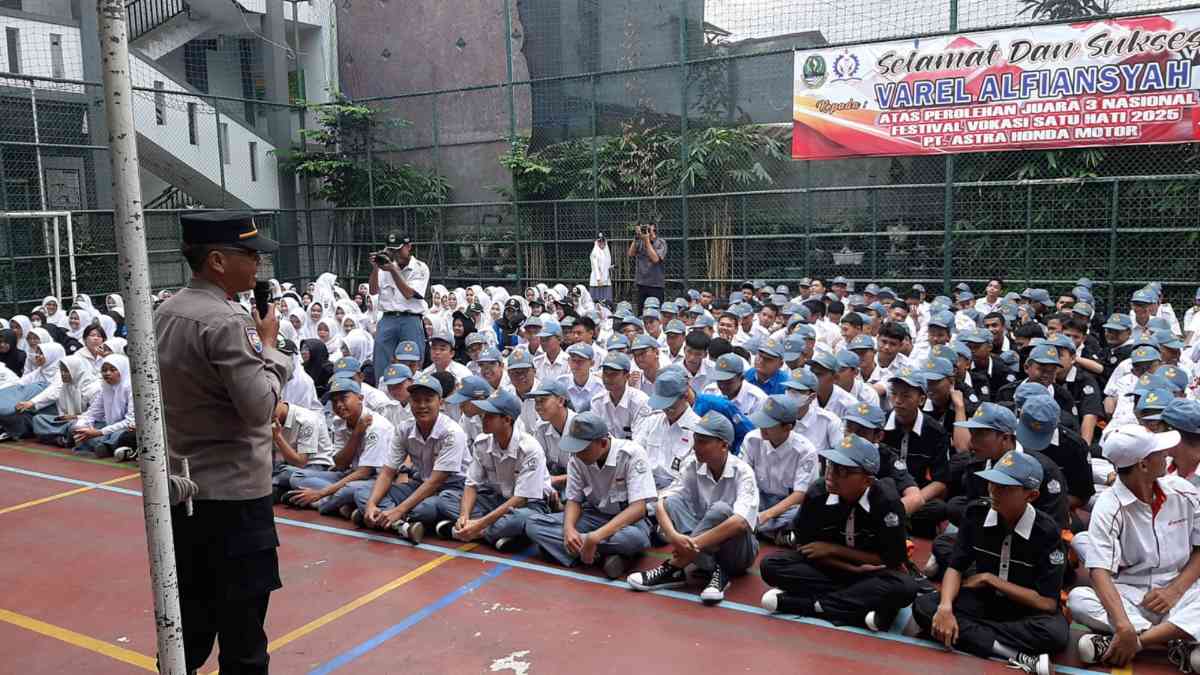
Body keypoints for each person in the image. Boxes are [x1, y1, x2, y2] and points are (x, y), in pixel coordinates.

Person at [155, 211, 293, 674]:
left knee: (187, 629)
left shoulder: (165, 313)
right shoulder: (225, 321)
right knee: (243, 638)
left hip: (181, 494)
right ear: (217, 260)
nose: (257, 264)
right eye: (249, 254)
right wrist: (271, 348)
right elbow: (259, 408)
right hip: (234, 502)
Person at [914, 450, 1069, 675]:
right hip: (982, 603)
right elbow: (956, 567)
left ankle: (972, 636)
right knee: (925, 607)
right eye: (992, 483)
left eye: (1005, 488)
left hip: (1022, 609)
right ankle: (1013, 654)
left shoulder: (1046, 532)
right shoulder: (976, 514)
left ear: (1031, 496)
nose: (994, 491)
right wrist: (946, 607)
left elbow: (1046, 603)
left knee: (1055, 633)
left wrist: (990, 579)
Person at [1069, 425, 1200, 671]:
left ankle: (1135, 643)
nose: (1167, 455)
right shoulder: (1109, 506)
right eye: (1159, 453)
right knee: (1079, 599)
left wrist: (1173, 591)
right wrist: (1122, 624)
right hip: (1131, 594)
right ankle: (1175, 642)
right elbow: (1099, 571)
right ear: (1143, 465)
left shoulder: (1184, 492)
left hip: (1182, 588)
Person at [759, 435, 920, 632]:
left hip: (869, 573)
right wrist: (842, 565)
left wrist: (834, 551)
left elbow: (893, 560)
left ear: (867, 480)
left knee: (905, 587)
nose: (831, 474)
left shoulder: (887, 502)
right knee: (771, 565)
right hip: (827, 568)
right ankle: (860, 609)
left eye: (842, 470)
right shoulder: (817, 493)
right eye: (830, 465)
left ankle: (809, 605)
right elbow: (806, 547)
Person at [627, 412, 759, 605]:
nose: (695, 447)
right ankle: (717, 573)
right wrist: (673, 536)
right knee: (673, 503)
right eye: (695, 440)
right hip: (704, 549)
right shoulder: (691, 464)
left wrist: (688, 549)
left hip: (737, 552)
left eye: (703, 442)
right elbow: (662, 502)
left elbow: (740, 523)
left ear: (724, 445)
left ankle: (674, 567)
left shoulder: (743, 472)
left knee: (721, 510)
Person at [524, 412, 656, 579]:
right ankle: (609, 556)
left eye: (583, 449)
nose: (578, 454)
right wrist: (569, 530)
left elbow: (638, 508)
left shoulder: (631, 454)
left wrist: (594, 538)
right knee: (533, 524)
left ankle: (576, 550)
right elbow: (574, 500)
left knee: (635, 539)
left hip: (627, 522)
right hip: (593, 515)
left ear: (602, 443)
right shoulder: (577, 458)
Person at [355, 373, 470, 543]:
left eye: (428, 399)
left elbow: (436, 482)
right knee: (362, 492)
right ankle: (402, 525)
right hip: (419, 485)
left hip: (451, 490)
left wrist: (399, 510)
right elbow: (387, 472)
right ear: (410, 403)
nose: (422, 405)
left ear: (441, 402)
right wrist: (372, 503)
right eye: (416, 400)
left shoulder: (452, 433)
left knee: (424, 509)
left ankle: (388, 518)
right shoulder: (404, 429)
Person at [435, 388, 550, 551]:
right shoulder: (482, 443)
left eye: (490, 415)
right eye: (483, 414)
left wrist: (480, 523)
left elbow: (520, 499)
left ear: (507, 419)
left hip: (528, 505)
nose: (483, 418)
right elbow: (471, 484)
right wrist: (464, 515)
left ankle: (464, 533)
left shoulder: (530, 449)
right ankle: (493, 534)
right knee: (446, 498)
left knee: (522, 519)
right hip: (495, 500)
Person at [741, 394, 819, 544]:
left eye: (769, 424)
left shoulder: (805, 450)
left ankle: (753, 528)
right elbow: (745, 479)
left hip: (787, 505)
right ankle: (774, 534)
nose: (762, 428)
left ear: (788, 427)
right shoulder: (752, 439)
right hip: (758, 498)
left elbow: (800, 494)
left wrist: (765, 516)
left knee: (804, 513)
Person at [370, 230, 430, 374]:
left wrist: (393, 270)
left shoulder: (420, 268)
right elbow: (373, 290)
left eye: (398, 249)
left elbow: (409, 294)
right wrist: (375, 269)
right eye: (391, 250)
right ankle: (383, 392)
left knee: (412, 363)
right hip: (387, 318)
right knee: (382, 364)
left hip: (410, 320)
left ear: (408, 246)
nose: (395, 253)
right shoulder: (385, 266)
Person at [70, 354, 137, 459]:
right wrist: (81, 426)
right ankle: (104, 446)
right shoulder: (106, 388)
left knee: (121, 436)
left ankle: (105, 446)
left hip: (125, 429)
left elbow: (129, 422)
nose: (107, 373)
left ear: (122, 370)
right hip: (108, 428)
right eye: (104, 370)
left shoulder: (132, 389)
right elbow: (92, 413)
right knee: (75, 426)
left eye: (113, 370)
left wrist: (99, 432)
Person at [627, 223, 667, 308]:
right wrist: (636, 237)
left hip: (656, 285)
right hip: (641, 283)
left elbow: (655, 259)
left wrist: (647, 241)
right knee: (641, 313)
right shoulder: (640, 241)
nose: (646, 230)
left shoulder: (661, 242)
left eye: (649, 228)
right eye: (644, 228)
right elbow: (630, 253)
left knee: (656, 311)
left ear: (654, 229)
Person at [589, 233, 613, 304]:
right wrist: (599, 279)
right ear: (596, 242)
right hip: (597, 281)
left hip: (606, 280)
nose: (601, 243)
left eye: (603, 241)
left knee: (606, 301)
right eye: (599, 241)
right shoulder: (595, 252)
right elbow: (595, 267)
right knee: (597, 301)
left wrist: (611, 267)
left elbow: (605, 265)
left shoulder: (606, 252)